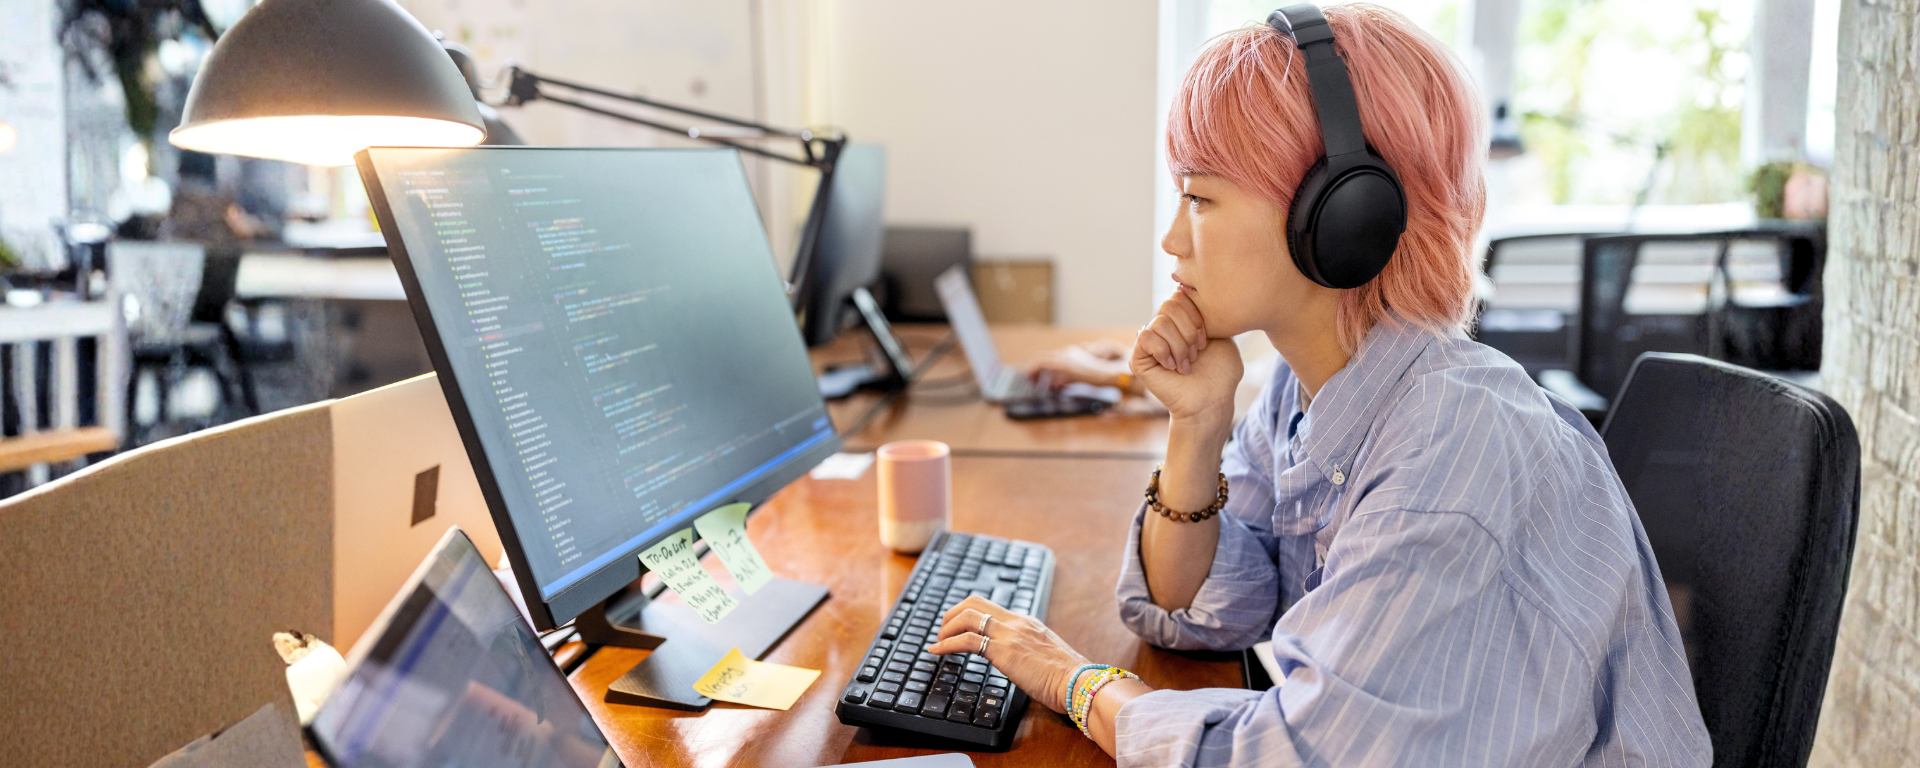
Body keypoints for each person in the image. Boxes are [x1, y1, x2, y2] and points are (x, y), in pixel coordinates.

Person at [925, 4, 1711, 765]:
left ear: (1341, 214)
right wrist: (1197, 422)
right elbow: (1195, 609)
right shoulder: (1305, 390)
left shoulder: (1453, 447)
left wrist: (1075, 682)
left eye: (1199, 198)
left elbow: (1294, 754)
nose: (1171, 239)